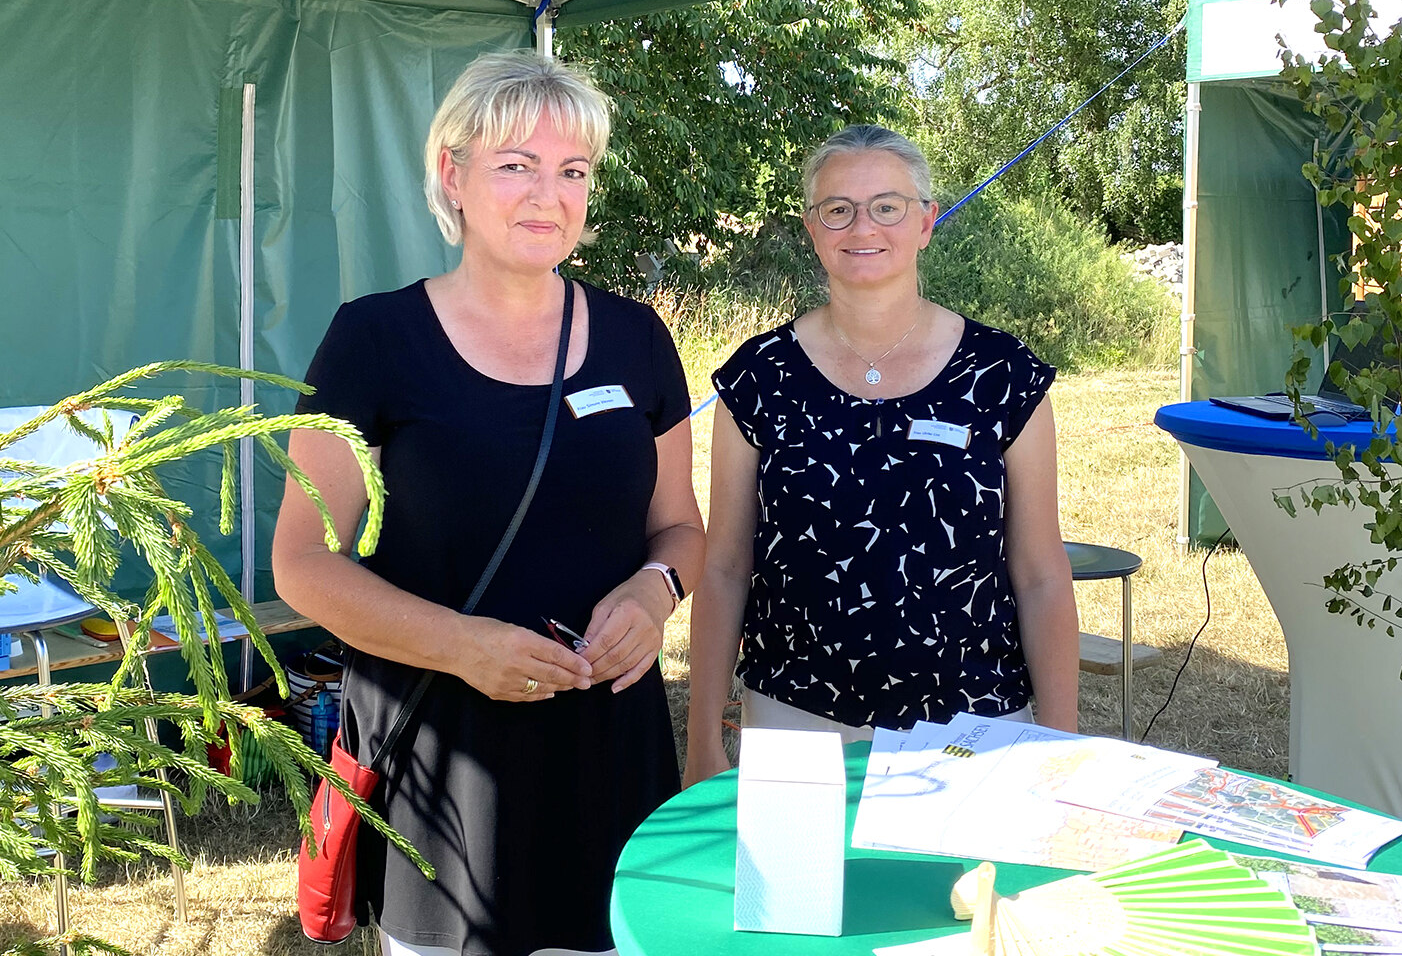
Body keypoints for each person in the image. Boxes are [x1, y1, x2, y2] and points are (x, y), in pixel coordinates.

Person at [273, 51, 704, 956]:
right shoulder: (373, 339)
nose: (549, 194)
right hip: (445, 755)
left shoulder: (635, 336)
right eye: (517, 165)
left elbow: (680, 528)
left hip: (607, 744)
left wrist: (655, 589)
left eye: (573, 171)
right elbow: (303, 565)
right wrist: (465, 648)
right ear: (452, 175)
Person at [684, 125, 1078, 787]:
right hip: (795, 723)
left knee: (957, 897)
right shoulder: (759, 377)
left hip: (971, 727)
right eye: (837, 209)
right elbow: (724, 567)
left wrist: (1061, 745)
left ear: (926, 221)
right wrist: (702, 739)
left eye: (887, 206)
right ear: (812, 229)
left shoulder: (1002, 377)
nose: (861, 226)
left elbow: (1039, 572)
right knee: (796, 896)